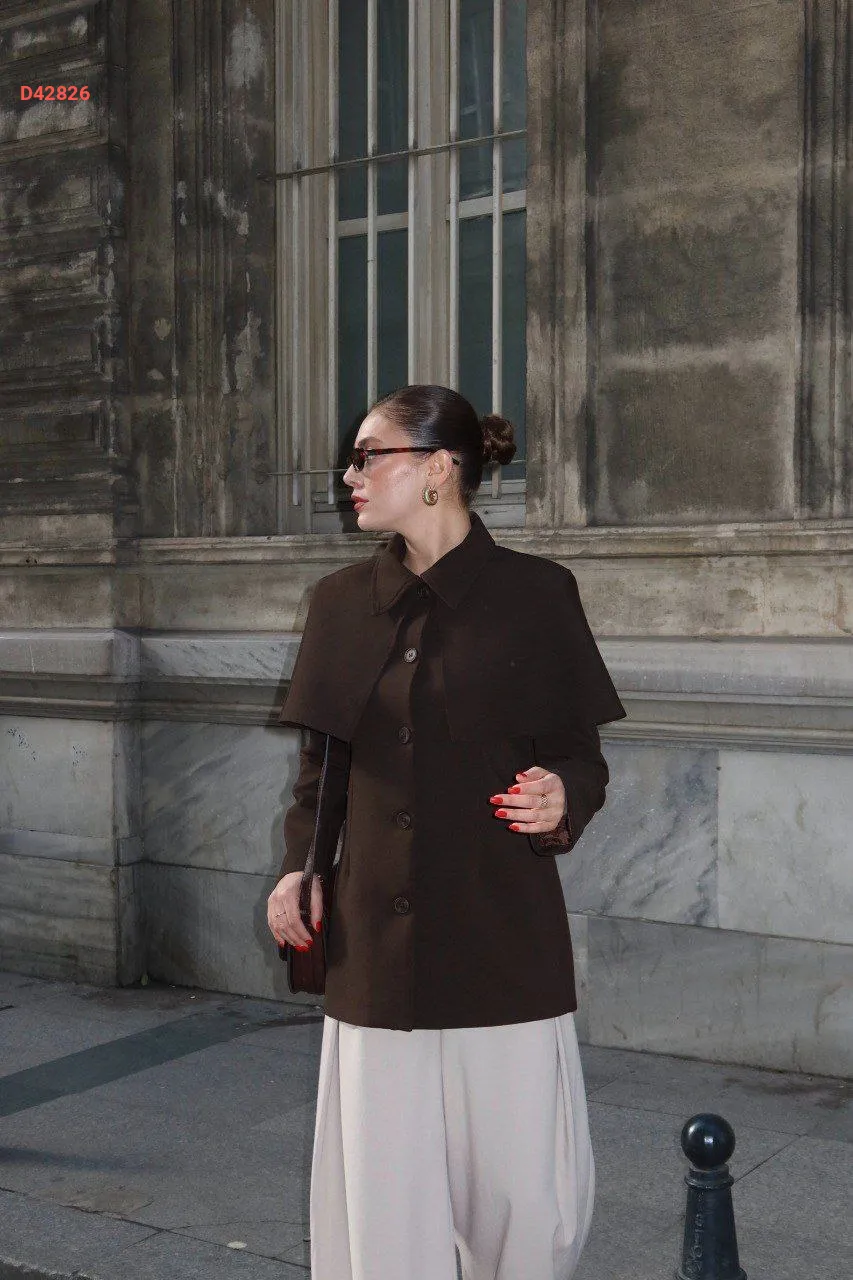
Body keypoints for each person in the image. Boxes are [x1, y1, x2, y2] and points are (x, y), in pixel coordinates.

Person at [267, 384, 626, 1280]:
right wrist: (296, 869)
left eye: (367, 455)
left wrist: (563, 796)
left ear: (436, 469)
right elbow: (321, 772)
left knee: (522, 1202)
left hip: (498, 935)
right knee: (384, 1203)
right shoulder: (338, 601)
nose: (349, 475)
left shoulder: (537, 594)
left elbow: (579, 757)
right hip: (372, 948)